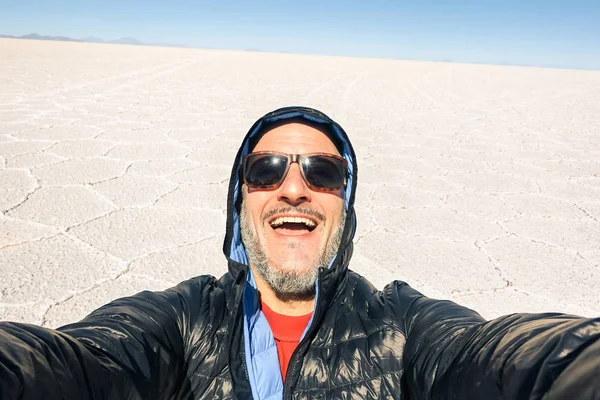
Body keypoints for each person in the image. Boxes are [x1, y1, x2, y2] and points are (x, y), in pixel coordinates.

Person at [0, 106, 598, 400]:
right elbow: (76, 362)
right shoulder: (184, 320)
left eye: (323, 172)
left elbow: (503, 358)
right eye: (265, 170)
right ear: (239, 205)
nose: (294, 186)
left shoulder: (402, 325)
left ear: (346, 205)